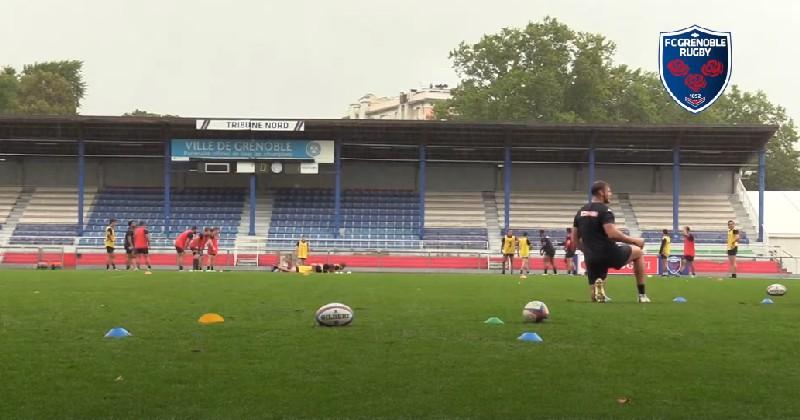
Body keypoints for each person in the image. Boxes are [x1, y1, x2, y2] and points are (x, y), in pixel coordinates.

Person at [573, 180, 650, 303]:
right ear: (600, 192)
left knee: (595, 296)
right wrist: (634, 240)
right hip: (609, 253)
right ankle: (642, 295)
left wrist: (588, 251)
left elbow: (574, 239)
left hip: (591, 257)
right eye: (608, 191)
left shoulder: (580, 211)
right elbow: (612, 234)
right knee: (638, 253)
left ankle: (598, 290)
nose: (611, 194)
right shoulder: (605, 211)